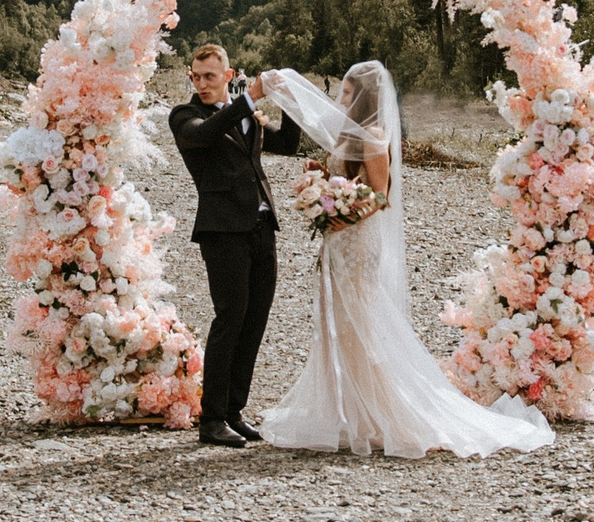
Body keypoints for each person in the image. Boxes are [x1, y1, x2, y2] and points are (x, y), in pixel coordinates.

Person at [255, 63, 553, 459]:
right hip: (336, 240)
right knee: (336, 321)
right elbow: (347, 179)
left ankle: (382, 413)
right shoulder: (348, 134)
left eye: (348, 93)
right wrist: (320, 178)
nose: (341, 98)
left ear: (365, 98)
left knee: (359, 321)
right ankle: (349, 410)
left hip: (358, 241)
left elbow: (380, 194)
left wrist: (343, 215)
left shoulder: (375, 137)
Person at [169, 44, 302, 448]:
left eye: (210, 76)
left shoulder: (247, 115)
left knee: (255, 320)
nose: (202, 83)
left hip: (262, 228)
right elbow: (205, 134)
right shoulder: (185, 115)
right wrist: (250, 98)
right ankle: (211, 419)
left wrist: (290, 102)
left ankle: (233, 411)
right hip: (222, 231)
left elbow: (288, 145)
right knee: (230, 319)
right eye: (196, 76)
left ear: (228, 75)